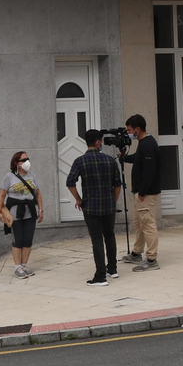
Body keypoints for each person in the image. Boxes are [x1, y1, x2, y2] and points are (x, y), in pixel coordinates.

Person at [66, 129, 123, 286]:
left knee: (97, 239)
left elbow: (70, 182)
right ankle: (112, 269)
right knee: (110, 236)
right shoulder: (110, 160)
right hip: (108, 206)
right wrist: (113, 201)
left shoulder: (80, 161)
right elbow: (117, 184)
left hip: (90, 206)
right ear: (98, 142)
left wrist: (79, 199)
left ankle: (100, 276)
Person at [119, 114, 161, 271]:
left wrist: (142, 192)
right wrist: (125, 158)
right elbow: (139, 158)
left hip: (146, 194)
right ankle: (137, 253)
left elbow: (149, 171)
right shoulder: (143, 143)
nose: (128, 133)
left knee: (148, 224)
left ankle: (151, 259)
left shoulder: (148, 144)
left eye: (130, 130)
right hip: (140, 192)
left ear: (138, 129)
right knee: (139, 223)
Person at [0, 150, 43, 278]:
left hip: (30, 212)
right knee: (18, 240)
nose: (27, 162)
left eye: (27, 159)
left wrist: (41, 210)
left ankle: (24, 265)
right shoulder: (9, 177)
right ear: (16, 163)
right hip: (15, 213)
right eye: (23, 160)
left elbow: (37, 193)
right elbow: (2, 195)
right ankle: (17, 267)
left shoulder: (31, 176)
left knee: (28, 240)